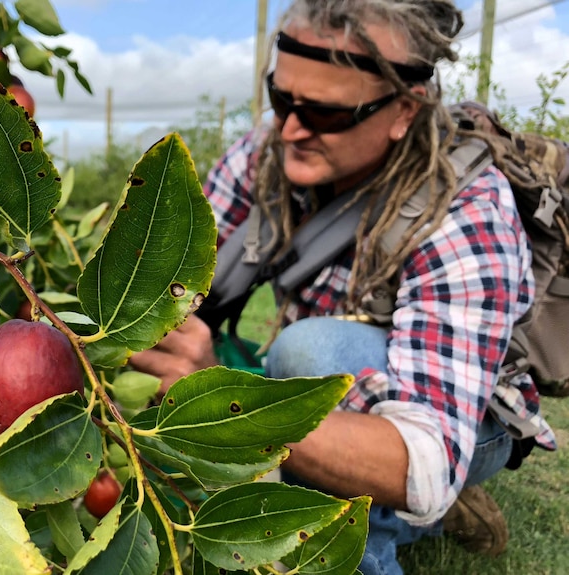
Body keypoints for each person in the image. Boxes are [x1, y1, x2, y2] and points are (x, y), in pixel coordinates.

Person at [129, 1, 558, 573]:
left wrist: (225, 403)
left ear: (405, 109)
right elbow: (170, 279)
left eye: (327, 113)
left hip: (458, 423)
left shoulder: (465, 210)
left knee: (309, 351)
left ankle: (383, 523)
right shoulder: (267, 156)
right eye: (281, 99)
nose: (290, 128)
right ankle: (388, 506)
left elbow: (425, 464)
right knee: (300, 361)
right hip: (330, 389)